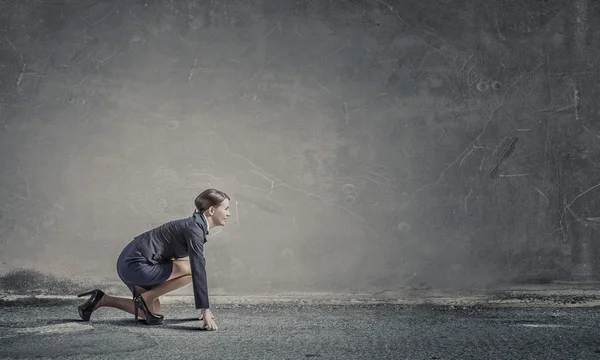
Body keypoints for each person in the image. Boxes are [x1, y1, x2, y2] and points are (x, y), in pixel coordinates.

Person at [76, 188, 230, 330]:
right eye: (226, 208)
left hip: (128, 263)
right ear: (211, 210)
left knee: (152, 314)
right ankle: (146, 296)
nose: (228, 214)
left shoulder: (194, 225)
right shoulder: (194, 228)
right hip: (136, 264)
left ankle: (102, 299)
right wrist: (205, 308)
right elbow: (198, 268)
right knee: (194, 269)